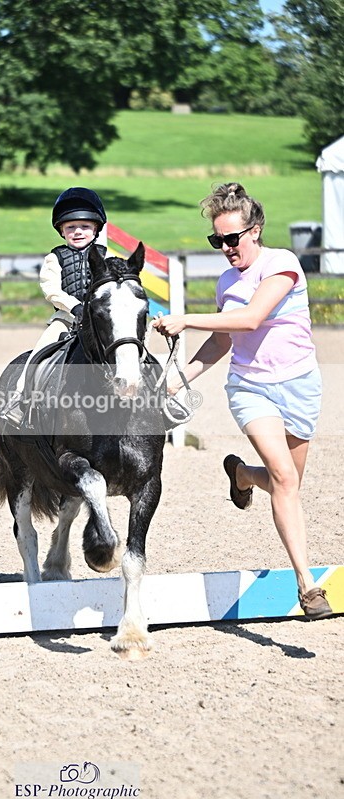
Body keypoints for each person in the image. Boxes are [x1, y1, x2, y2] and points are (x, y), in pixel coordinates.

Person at [153, 182, 332, 619]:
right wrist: (178, 380)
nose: (226, 248)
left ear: (254, 230)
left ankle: (243, 476)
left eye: (232, 238)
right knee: (286, 480)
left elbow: (251, 319)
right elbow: (222, 340)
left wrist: (184, 319)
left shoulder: (282, 263)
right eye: (218, 241)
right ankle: (308, 586)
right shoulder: (225, 281)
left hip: (300, 386)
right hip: (251, 388)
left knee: (282, 482)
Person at [0, 187, 107, 426]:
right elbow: (51, 289)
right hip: (66, 319)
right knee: (39, 352)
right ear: (61, 231)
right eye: (70, 227)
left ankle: (156, 397)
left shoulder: (107, 257)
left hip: (100, 320)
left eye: (85, 226)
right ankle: (20, 400)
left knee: (127, 347)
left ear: (96, 228)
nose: (78, 231)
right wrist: (75, 307)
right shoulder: (54, 258)